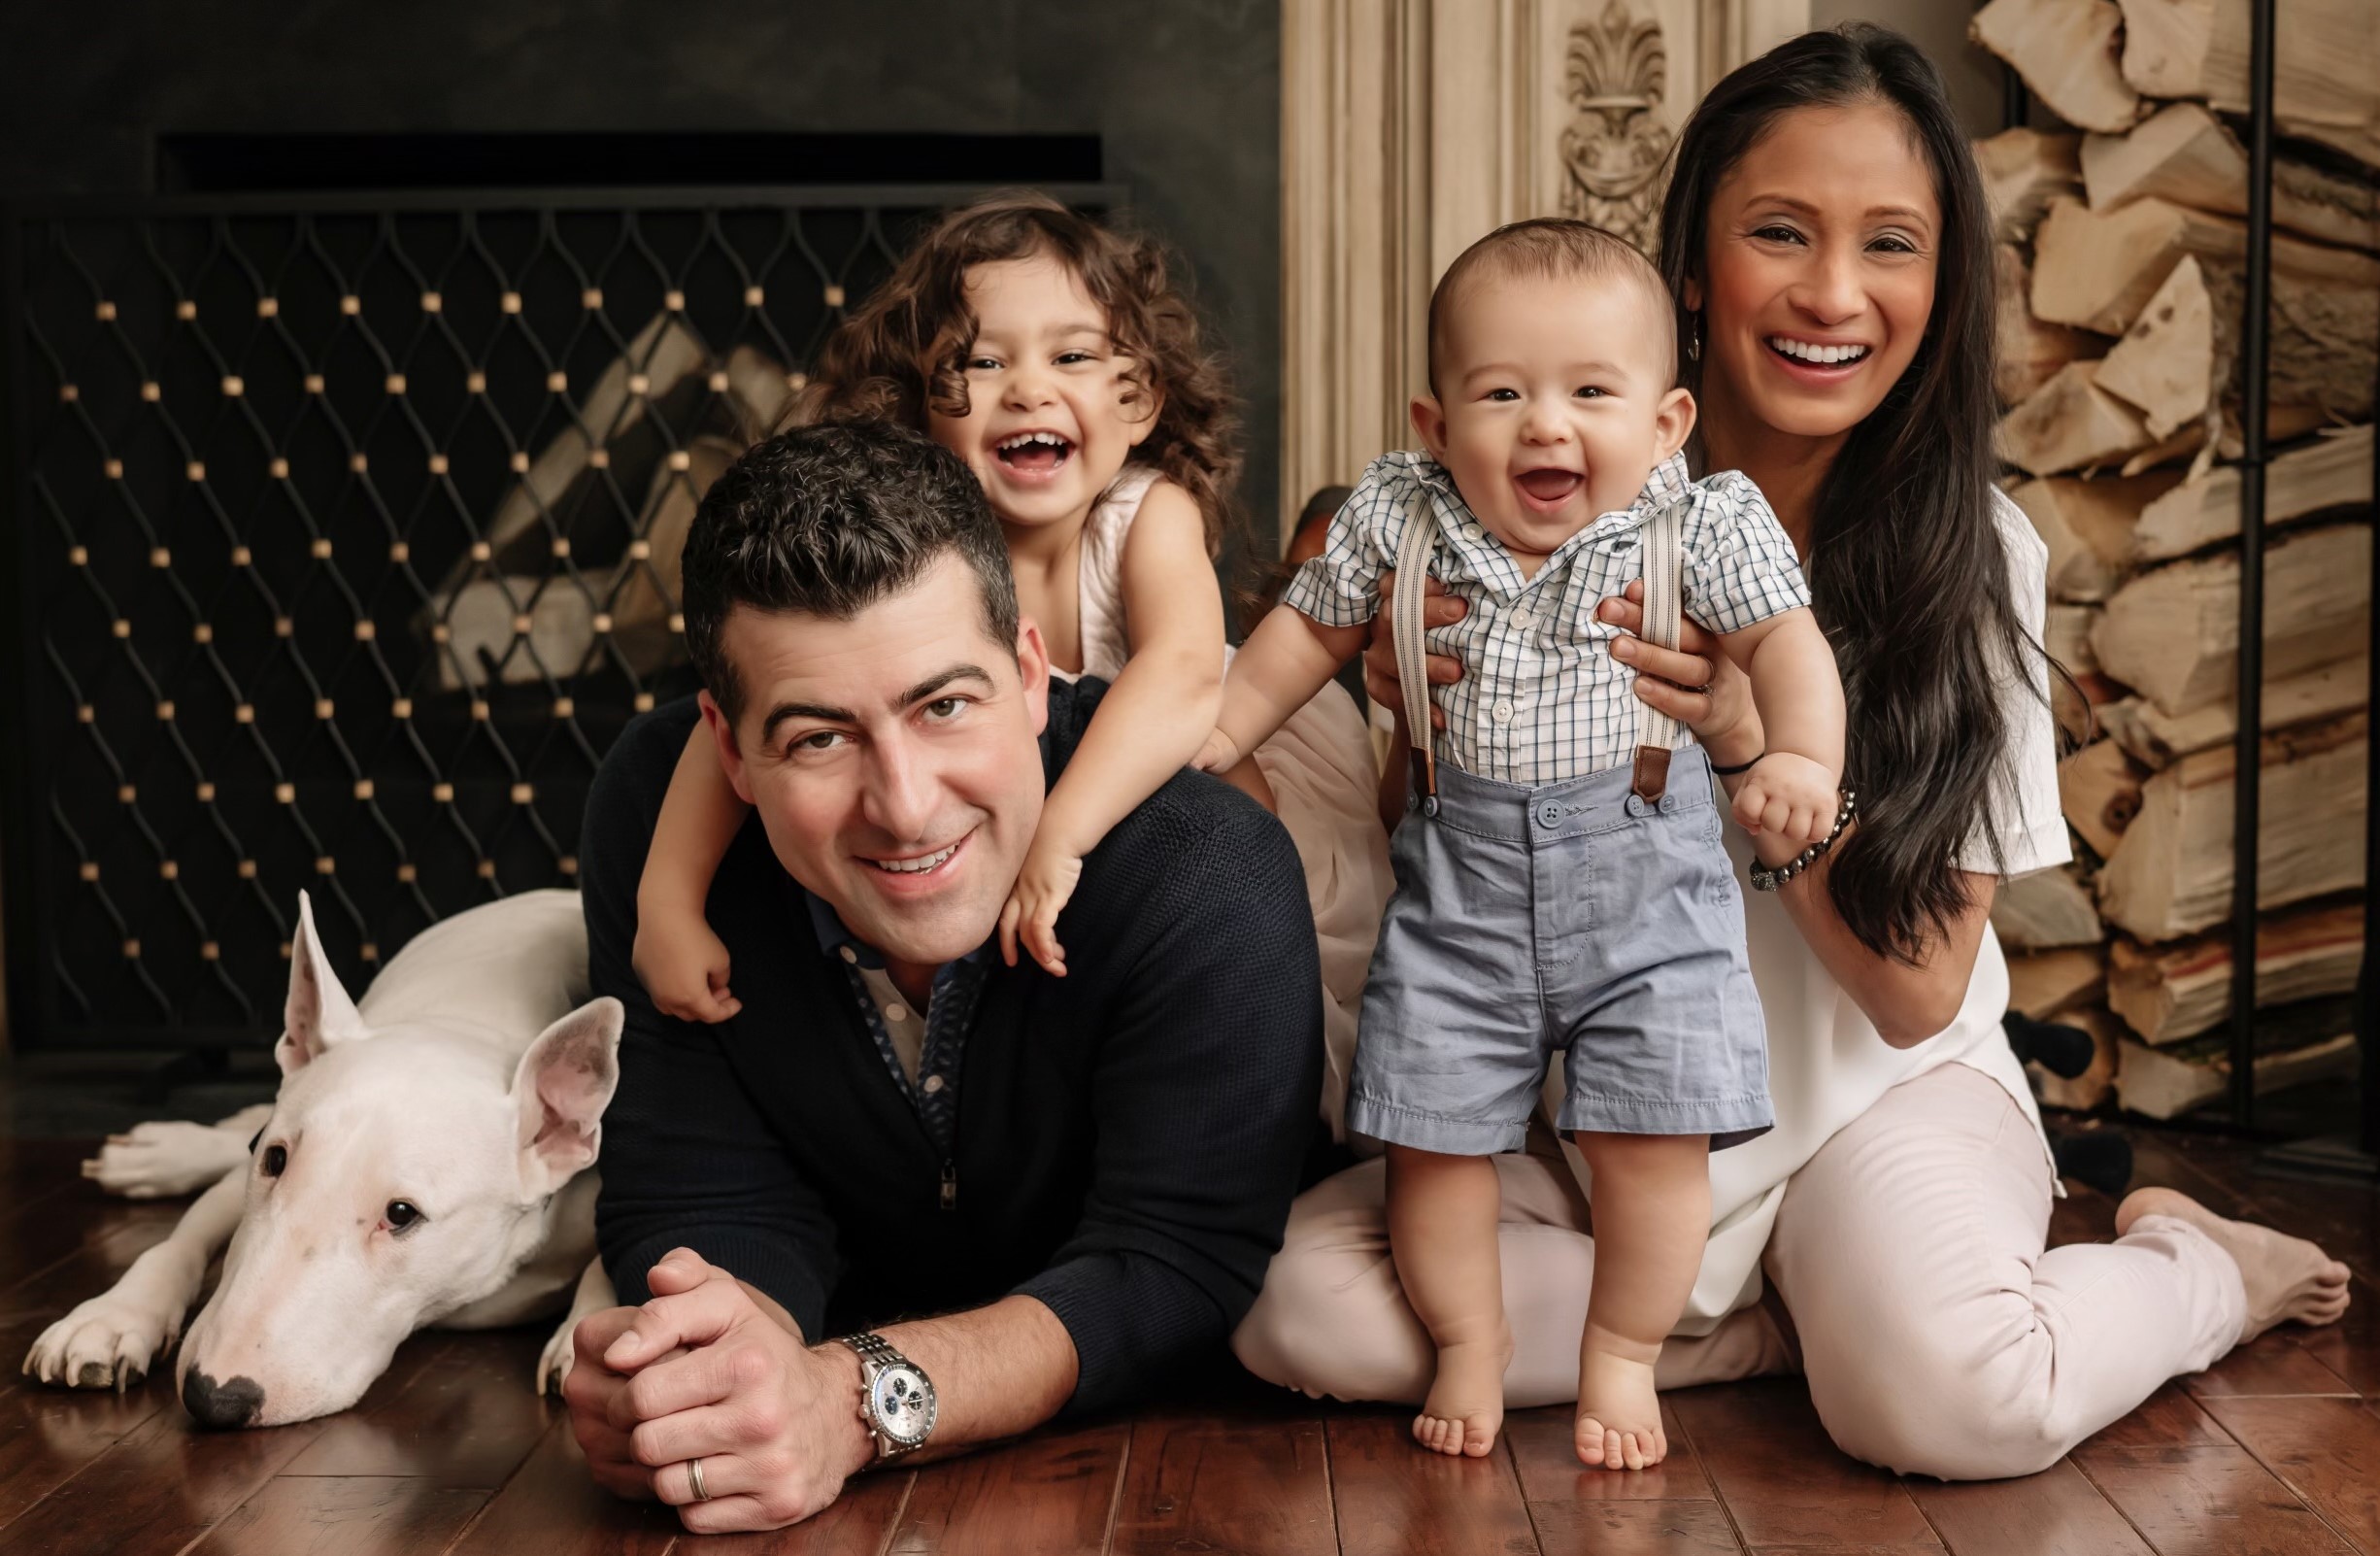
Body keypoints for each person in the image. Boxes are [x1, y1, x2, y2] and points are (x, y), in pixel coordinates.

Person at [1230, 23, 2352, 1481]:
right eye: (1777, 233)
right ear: (1692, 267)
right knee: (1297, 1310)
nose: (1831, 293)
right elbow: (1441, 873)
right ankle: (1769, 1333)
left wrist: (1758, 747)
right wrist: (1416, 717)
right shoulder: (1534, 496)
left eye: (1888, 244)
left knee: (1958, 1402)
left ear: (1939, 284)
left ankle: (2195, 1268)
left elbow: (1915, 995)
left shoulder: (1974, 559)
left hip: (1865, 1117)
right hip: (1594, 1126)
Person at [565, 419, 1320, 1534]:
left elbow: (1173, 1264)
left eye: (945, 705)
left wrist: (850, 1402)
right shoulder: (654, 818)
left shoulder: (1204, 869)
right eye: (820, 738)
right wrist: (721, 1375)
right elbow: (699, 1189)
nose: (906, 804)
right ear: (728, 750)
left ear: (1025, 672)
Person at [1203, 220, 1844, 1469]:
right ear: (1437, 426)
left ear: (1665, 424)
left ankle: (1622, 1353)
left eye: (1590, 393)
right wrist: (1223, 729)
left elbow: (1788, 651)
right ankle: (1468, 1338)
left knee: (1651, 1153)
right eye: (1503, 393)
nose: (1547, 426)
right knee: (1433, 1151)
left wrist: (1800, 760)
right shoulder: (1403, 515)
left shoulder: (1701, 525)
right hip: (1461, 908)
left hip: (1648, 904)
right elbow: (1297, 636)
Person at [628, 193, 1391, 1140]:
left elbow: (1188, 675)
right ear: (916, 411)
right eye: (982, 363)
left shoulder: (1145, 515)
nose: (1028, 389)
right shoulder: (918, 545)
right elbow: (757, 726)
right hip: (990, 808)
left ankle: (1251, 1081)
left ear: (1139, 398)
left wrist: (1060, 838)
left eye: (1072, 357)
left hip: (1161, 753)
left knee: (1231, 798)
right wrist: (668, 899)